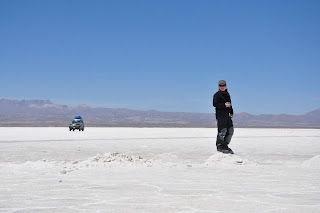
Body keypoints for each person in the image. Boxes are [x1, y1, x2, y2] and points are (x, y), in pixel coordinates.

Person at [213, 80, 234, 154]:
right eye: (220, 86)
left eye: (223, 85)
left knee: (230, 131)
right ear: (218, 87)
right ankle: (220, 146)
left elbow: (230, 104)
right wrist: (224, 105)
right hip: (220, 115)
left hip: (227, 115)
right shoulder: (217, 95)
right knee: (222, 131)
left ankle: (225, 145)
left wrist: (231, 112)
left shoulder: (227, 94)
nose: (222, 87)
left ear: (226, 86)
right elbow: (215, 104)